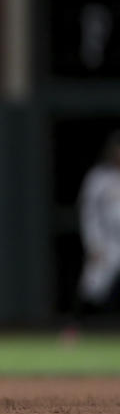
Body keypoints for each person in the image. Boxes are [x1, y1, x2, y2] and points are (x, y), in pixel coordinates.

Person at [72, 131, 120, 323]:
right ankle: (75, 327)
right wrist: (93, 243)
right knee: (93, 284)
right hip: (107, 240)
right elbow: (88, 214)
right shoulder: (98, 178)